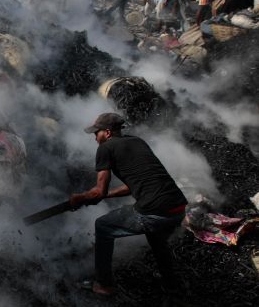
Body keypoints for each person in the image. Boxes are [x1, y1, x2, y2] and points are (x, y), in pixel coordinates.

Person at [70, 113, 188, 296]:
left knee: (103, 226)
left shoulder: (105, 148)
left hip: (154, 212)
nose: (95, 137)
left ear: (107, 133)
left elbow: (98, 191)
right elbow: (133, 185)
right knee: (156, 236)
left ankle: (103, 284)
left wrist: (81, 197)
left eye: (96, 133)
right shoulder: (137, 141)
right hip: (178, 208)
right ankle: (172, 284)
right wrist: (105, 195)